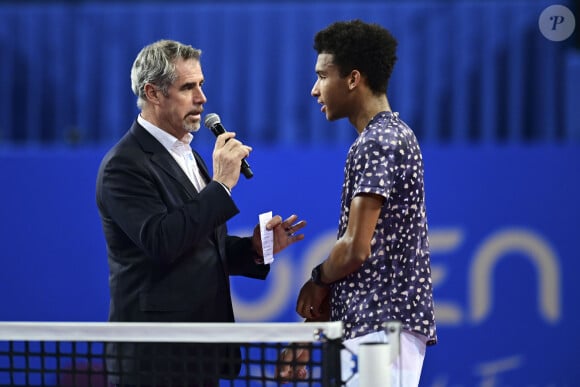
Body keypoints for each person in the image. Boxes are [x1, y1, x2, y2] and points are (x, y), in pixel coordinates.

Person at [95, 39, 306, 386]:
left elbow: (198, 246)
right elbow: (162, 242)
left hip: (201, 353)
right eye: (188, 87)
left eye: (201, 85)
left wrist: (252, 249)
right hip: (155, 361)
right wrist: (221, 185)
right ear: (153, 93)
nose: (202, 98)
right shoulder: (123, 165)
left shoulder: (186, 153)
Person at [277, 20, 437, 387]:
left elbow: (355, 250)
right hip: (373, 327)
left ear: (352, 79)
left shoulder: (379, 140)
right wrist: (315, 324)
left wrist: (317, 279)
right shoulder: (384, 137)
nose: (314, 89)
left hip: (382, 329)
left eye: (322, 76)